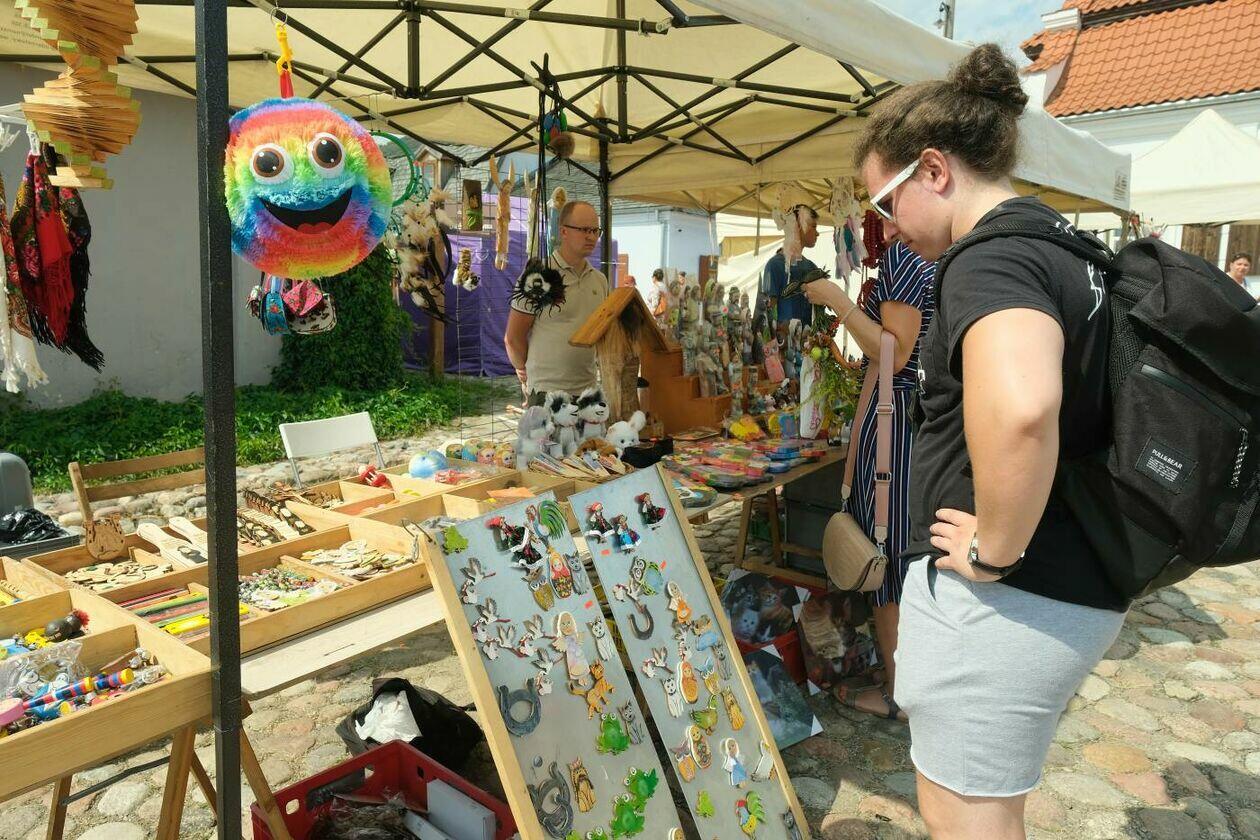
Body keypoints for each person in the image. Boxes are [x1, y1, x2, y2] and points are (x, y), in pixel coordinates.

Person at [852, 44, 1128, 839]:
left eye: (887, 204)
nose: (888, 229)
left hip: (1008, 600)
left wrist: (995, 551)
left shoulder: (991, 257)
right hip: (1069, 577)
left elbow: (1025, 409)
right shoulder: (1061, 244)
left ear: (934, 170)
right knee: (987, 811)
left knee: (966, 818)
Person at [802, 239, 934, 724]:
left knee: (885, 553)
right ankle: (909, 676)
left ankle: (899, 693)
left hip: (892, 422)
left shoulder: (904, 255)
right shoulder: (942, 253)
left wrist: (837, 301)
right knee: (906, 553)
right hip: (920, 420)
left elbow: (892, 354)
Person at [504, 200, 610, 404]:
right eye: (584, 230)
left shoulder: (599, 280)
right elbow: (513, 338)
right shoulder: (538, 277)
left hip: (588, 393)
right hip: (547, 393)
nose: (591, 236)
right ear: (563, 231)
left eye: (595, 230)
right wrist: (523, 368)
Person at [758, 205, 820, 327]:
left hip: (807, 336)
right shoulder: (775, 265)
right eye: (813, 226)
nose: (817, 233)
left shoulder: (812, 267)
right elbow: (768, 311)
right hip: (783, 337)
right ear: (799, 226)